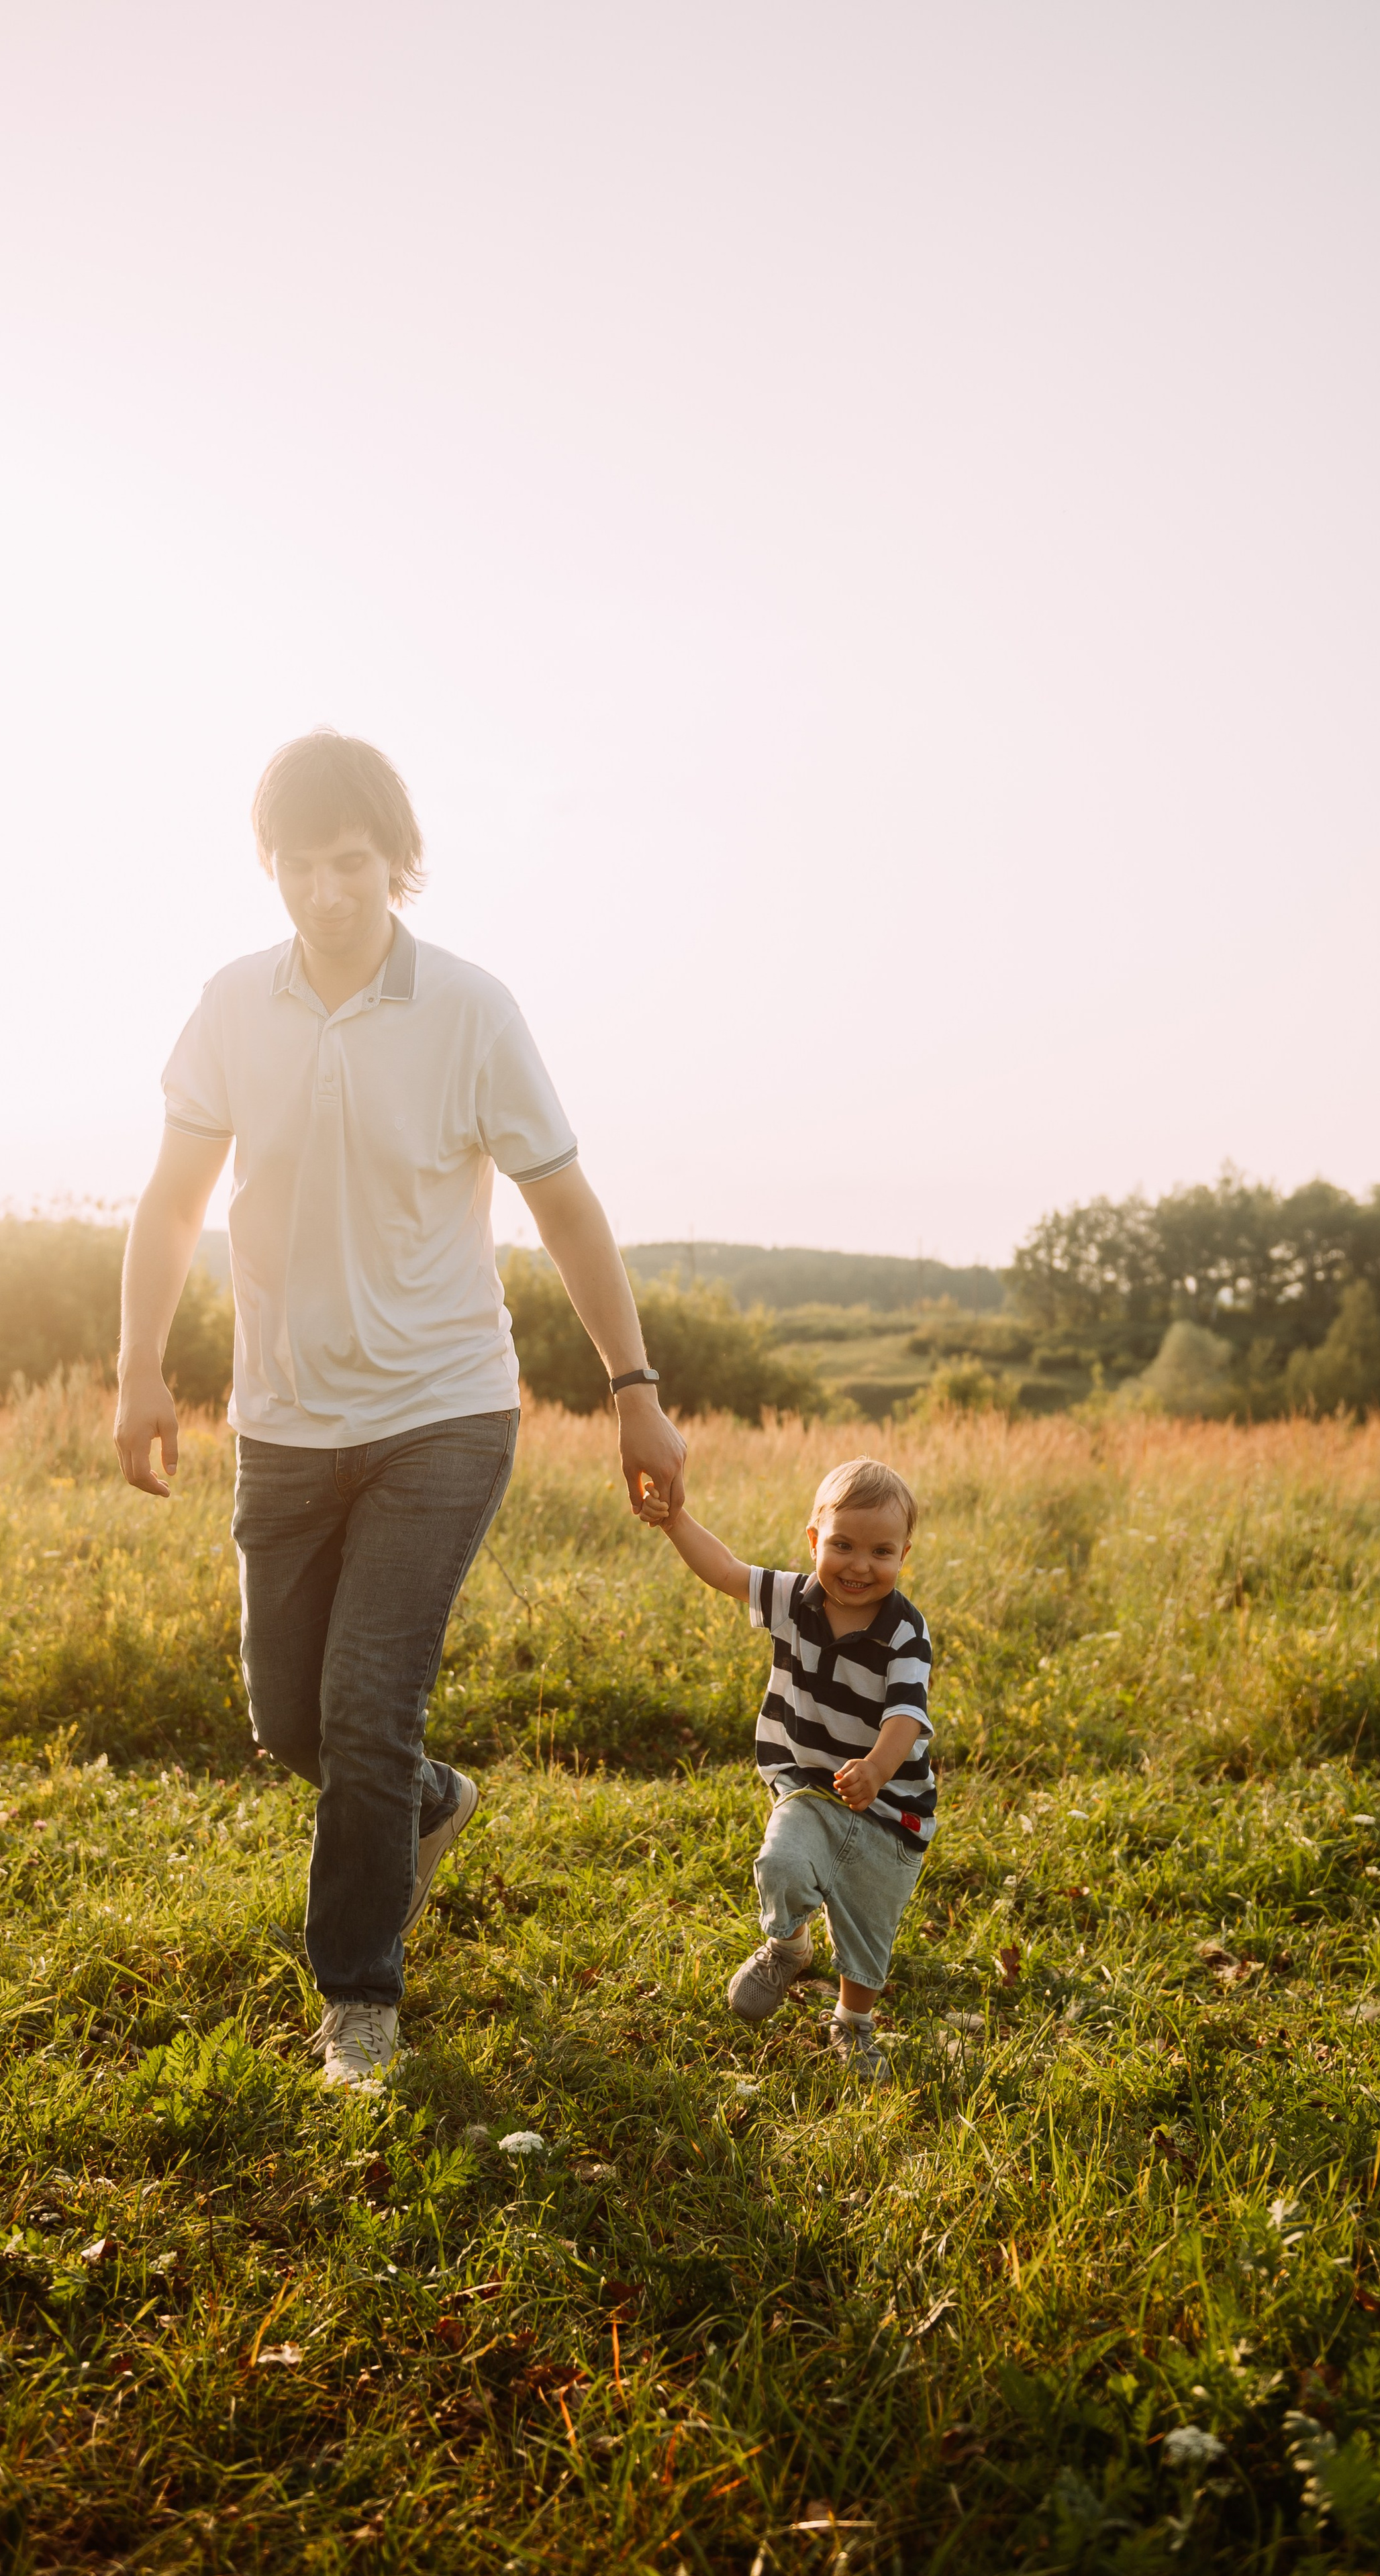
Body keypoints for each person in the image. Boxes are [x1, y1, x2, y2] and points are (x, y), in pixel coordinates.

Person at [114, 730, 686, 2087]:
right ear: (271, 870)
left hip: (442, 1410)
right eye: (300, 866)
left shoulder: (470, 1011)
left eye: (352, 863)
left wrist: (633, 1390)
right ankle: (430, 1805)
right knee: (296, 1725)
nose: (327, 891)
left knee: (367, 1709)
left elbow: (564, 1210)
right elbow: (171, 1202)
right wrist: (139, 1365)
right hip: (283, 1417)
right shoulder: (229, 1007)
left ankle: (358, 1998)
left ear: (396, 865)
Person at [641, 1454, 932, 2078]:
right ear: (813, 1539)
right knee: (781, 1862)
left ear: (904, 1554)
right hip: (807, 1783)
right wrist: (675, 1520)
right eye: (843, 1544)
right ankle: (789, 1945)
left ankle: (854, 2024)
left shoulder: (906, 1631)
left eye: (881, 1552)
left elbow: (906, 1717)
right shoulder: (792, 1598)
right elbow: (723, 1569)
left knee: (865, 1925)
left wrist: (879, 1768)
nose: (859, 1565)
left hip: (889, 1807)